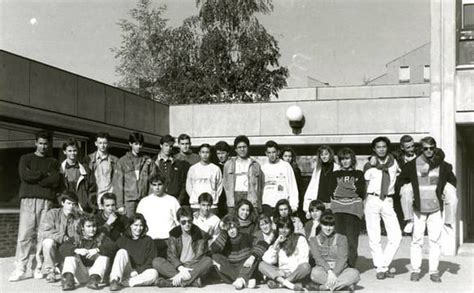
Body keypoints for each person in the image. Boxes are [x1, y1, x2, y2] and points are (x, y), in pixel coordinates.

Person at [396, 137, 456, 283]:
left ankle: (433, 271)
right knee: (417, 240)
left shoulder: (443, 165)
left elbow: (453, 181)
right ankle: (416, 270)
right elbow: (401, 182)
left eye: (431, 148)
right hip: (418, 209)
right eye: (425, 148)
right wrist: (411, 194)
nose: (428, 151)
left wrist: (444, 190)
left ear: (435, 148)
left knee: (435, 241)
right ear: (420, 149)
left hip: (435, 208)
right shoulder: (412, 165)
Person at [9, 130, 60, 282]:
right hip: (28, 200)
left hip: (46, 201)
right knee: (24, 235)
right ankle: (20, 268)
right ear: (35, 143)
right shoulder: (26, 158)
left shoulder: (53, 162)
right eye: (41, 143)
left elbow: (55, 181)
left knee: (42, 235)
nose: (43, 146)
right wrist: (44, 175)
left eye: (46, 144)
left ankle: (38, 267)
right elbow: (24, 176)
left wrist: (36, 176)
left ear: (49, 145)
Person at [364, 137, 402, 279]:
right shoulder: (369, 165)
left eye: (384, 147)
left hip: (387, 200)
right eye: (378, 147)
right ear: (374, 149)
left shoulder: (394, 163)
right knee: (374, 236)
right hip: (372, 199)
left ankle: (383, 264)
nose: (381, 149)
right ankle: (380, 268)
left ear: (387, 148)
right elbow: (365, 185)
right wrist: (364, 203)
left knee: (396, 235)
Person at [153, 207, 213, 288]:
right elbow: (171, 255)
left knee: (208, 261)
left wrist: (185, 270)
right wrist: (181, 268)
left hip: (193, 266)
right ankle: (192, 281)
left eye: (189, 221)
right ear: (178, 221)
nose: (187, 224)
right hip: (178, 267)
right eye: (183, 222)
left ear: (192, 220)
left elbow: (199, 256)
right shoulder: (174, 233)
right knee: (157, 261)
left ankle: (172, 282)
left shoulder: (200, 234)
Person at [59, 214, 117, 290]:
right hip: (80, 274)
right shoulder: (77, 238)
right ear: (82, 227)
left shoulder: (101, 236)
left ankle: (93, 280)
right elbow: (62, 248)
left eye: (94, 226)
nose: (92, 229)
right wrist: (76, 250)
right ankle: (68, 281)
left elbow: (113, 247)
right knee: (71, 255)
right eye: (88, 226)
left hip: (97, 276)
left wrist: (97, 250)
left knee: (104, 256)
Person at [329, 147, 365, 268]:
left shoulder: (358, 174)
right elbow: (332, 191)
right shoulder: (335, 174)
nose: (345, 161)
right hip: (338, 210)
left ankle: (351, 267)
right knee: (339, 239)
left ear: (352, 159)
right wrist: (348, 192)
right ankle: (340, 266)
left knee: (351, 240)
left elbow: (360, 192)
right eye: (342, 159)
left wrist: (345, 192)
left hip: (353, 210)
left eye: (347, 158)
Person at [210, 214, 268, 289]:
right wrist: (224, 232)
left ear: (237, 227)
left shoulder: (246, 237)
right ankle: (245, 280)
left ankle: (241, 279)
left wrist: (252, 257)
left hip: (244, 265)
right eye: (228, 229)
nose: (231, 231)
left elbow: (263, 243)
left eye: (233, 228)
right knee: (215, 256)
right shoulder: (225, 239)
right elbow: (214, 249)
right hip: (231, 267)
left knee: (255, 257)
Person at [308, 211, 360, 291]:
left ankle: (325, 287)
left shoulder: (342, 238)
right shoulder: (314, 240)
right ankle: (343, 286)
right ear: (320, 225)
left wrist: (334, 274)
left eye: (331, 225)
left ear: (334, 226)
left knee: (355, 274)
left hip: (340, 270)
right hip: (323, 270)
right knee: (314, 273)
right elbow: (318, 259)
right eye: (325, 225)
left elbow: (342, 258)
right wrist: (329, 271)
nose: (328, 228)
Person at [38, 191, 80, 283]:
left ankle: (62, 266)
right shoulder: (53, 213)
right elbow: (45, 231)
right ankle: (50, 272)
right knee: (48, 242)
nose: (71, 206)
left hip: (69, 250)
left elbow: (80, 236)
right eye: (68, 203)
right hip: (55, 248)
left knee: (73, 276)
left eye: (73, 204)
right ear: (62, 203)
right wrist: (63, 237)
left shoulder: (77, 217)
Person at [259, 217, 311, 291]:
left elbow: (304, 260)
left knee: (306, 266)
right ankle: (287, 283)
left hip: (295, 273)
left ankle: (281, 284)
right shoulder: (277, 240)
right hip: (282, 273)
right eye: (281, 228)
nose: (283, 230)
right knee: (261, 264)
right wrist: (277, 243)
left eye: (287, 228)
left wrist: (291, 272)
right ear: (278, 229)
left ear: (291, 229)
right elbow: (268, 260)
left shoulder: (300, 239)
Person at [109, 213, 158, 290]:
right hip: (126, 271)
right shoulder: (123, 239)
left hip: (140, 273)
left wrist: (137, 271)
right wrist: (96, 250)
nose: (138, 228)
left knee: (154, 273)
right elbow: (111, 249)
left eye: (141, 225)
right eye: (136, 225)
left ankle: (125, 283)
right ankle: (114, 280)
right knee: (121, 252)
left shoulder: (148, 240)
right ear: (130, 225)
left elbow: (150, 260)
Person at [136, 174, 180, 257]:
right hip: (150, 240)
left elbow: (179, 222)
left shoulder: (172, 200)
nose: (157, 188)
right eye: (154, 185)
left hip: (168, 241)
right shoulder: (144, 202)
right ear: (150, 185)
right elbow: (138, 222)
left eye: (160, 184)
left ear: (164, 185)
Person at [113, 132, 152, 217]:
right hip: (129, 202)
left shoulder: (147, 161)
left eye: (140, 144)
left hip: (143, 200)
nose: (139, 146)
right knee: (128, 225)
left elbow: (152, 182)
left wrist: (151, 200)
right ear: (130, 144)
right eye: (136, 144)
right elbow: (117, 185)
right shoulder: (122, 161)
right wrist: (120, 205)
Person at [223, 135, 264, 212]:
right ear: (235, 149)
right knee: (234, 222)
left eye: (244, 147)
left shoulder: (255, 164)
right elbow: (225, 183)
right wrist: (229, 198)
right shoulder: (228, 164)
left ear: (248, 148)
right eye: (239, 147)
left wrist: (258, 203)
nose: (242, 149)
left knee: (251, 221)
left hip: (251, 197)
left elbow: (259, 186)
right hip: (234, 196)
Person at [261, 141, 298, 217]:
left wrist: (294, 205)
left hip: (282, 207)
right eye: (269, 152)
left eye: (274, 152)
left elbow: (293, 186)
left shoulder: (286, 166)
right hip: (267, 206)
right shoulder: (263, 168)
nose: (271, 155)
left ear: (278, 152)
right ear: (266, 153)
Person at [59, 138, 97, 213]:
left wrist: (87, 204)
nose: (72, 153)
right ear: (64, 152)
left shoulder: (85, 169)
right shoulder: (59, 169)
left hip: (82, 208)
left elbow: (92, 189)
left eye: (75, 150)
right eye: (69, 151)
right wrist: (61, 203)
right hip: (65, 208)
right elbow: (57, 191)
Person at [150, 134, 189, 205]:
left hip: (174, 200)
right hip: (157, 200)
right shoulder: (153, 161)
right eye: (166, 145)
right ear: (161, 145)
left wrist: (179, 199)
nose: (168, 148)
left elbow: (183, 183)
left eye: (170, 146)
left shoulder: (178, 163)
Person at [186, 143, 223, 212]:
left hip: (212, 206)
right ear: (199, 153)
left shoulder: (216, 169)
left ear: (210, 153)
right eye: (203, 152)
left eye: (207, 152)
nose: (205, 155)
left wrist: (214, 198)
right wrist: (194, 197)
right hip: (196, 205)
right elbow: (189, 186)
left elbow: (219, 186)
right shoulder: (193, 169)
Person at [393, 135, 418, 233]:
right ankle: (409, 220)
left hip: (420, 184)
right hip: (407, 184)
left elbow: (438, 152)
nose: (412, 149)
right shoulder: (398, 158)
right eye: (408, 147)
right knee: (405, 189)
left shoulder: (420, 155)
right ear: (402, 148)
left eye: (413, 146)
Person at [304, 145, 339, 212]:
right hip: (319, 202)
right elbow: (311, 187)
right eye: (322, 154)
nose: (324, 156)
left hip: (332, 202)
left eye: (326, 154)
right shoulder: (317, 169)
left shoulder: (337, 168)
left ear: (330, 155)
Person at [280, 146, 305, 220]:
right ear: (282, 157)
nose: (288, 158)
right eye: (285, 156)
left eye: (290, 156)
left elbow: (299, 187)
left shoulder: (296, 170)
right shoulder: (279, 168)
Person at [215, 140, 231, 217]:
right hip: (219, 199)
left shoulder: (233, 165)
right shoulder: (215, 167)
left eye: (223, 153)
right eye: (218, 153)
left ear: (228, 153)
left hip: (230, 197)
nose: (220, 156)